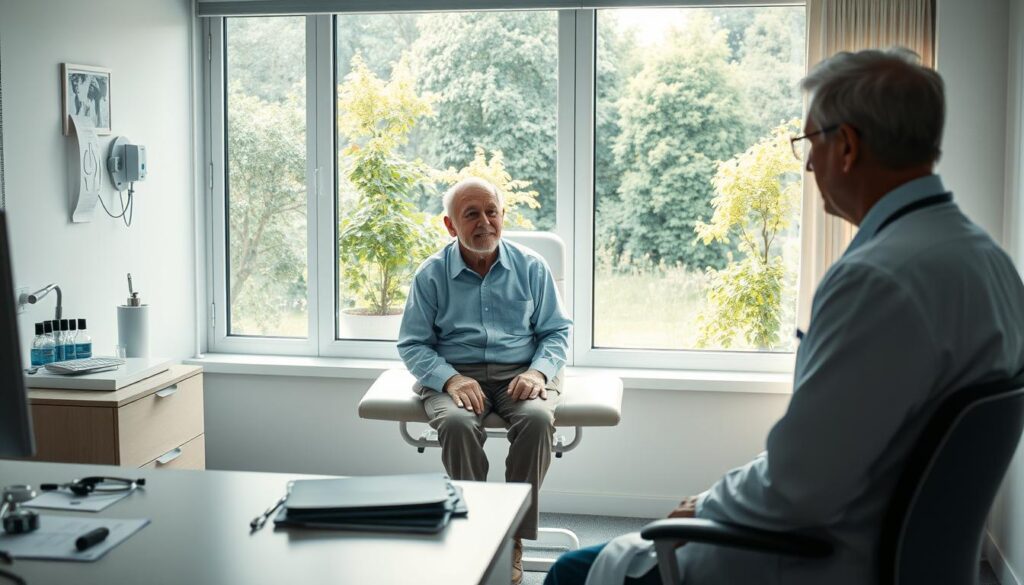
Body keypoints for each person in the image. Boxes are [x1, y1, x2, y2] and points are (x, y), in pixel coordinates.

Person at [545, 47, 1024, 585]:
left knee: (573, 572)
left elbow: (799, 487)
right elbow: (830, 450)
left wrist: (701, 506)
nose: (807, 163)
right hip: (909, 559)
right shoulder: (989, 263)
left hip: (820, 558)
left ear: (846, 146)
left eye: (809, 141)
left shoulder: (878, 280)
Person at [398, 177, 572, 585]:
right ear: (450, 225)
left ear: (503, 215)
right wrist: (451, 379)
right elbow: (412, 344)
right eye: (471, 214)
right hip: (456, 375)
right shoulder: (431, 275)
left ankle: (512, 536)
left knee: (536, 419)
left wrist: (538, 371)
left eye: (491, 211)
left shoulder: (531, 267)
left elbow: (557, 332)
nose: (484, 222)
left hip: (521, 372)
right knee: (457, 425)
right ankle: (474, 533)